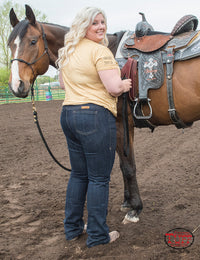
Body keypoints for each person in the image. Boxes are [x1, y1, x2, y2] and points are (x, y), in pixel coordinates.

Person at [56, 6, 132, 248]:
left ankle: (72, 228)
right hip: (95, 117)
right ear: (83, 26)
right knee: (99, 179)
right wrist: (125, 83)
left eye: (102, 22)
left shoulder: (66, 52)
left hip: (69, 114)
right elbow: (113, 88)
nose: (101, 27)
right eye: (94, 23)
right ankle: (99, 235)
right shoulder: (101, 52)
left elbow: (61, 84)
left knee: (79, 175)